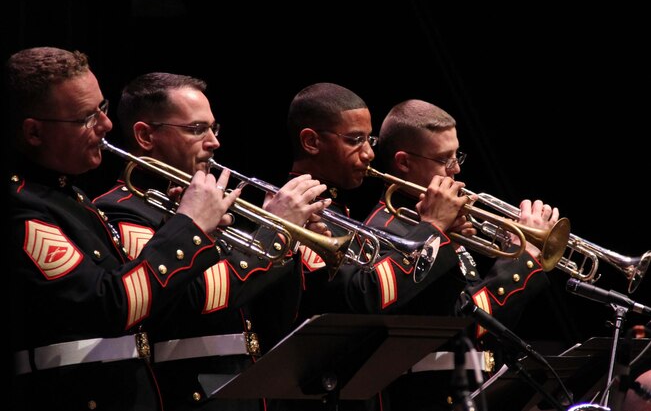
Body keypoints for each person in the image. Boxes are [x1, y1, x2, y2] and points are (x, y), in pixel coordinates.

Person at [6, 47, 240, 411]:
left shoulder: (73, 198)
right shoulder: (21, 207)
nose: (107, 125)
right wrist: (188, 226)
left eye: (102, 107)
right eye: (86, 117)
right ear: (34, 132)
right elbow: (111, 306)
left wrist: (179, 226)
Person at [92, 72, 331, 411]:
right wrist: (276, 231)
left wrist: (291, 243)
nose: (213, 142)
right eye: (196, 129)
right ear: (146, 135)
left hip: (245, 386)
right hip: (190, 393)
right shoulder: (120, 208)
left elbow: (268, 311)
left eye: (213, 128)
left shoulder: (207, 204)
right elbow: (202, 298)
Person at [252, 82, 473, 411]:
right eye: (354, 141)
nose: (369, 154)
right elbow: (362, 297)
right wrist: (433, 229)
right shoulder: (301, 212)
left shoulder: (339, 213)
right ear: (312, 141)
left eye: (368, 140)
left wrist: (443, 241)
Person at [363, 99, 559, 410]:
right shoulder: (389, 231)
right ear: (403, 163)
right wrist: (523, 259)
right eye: (444, 159)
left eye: (457, 157)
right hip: (431, 399)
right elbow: (463, 323)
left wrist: (513, 251)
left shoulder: (440, 225)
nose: (456, 171)